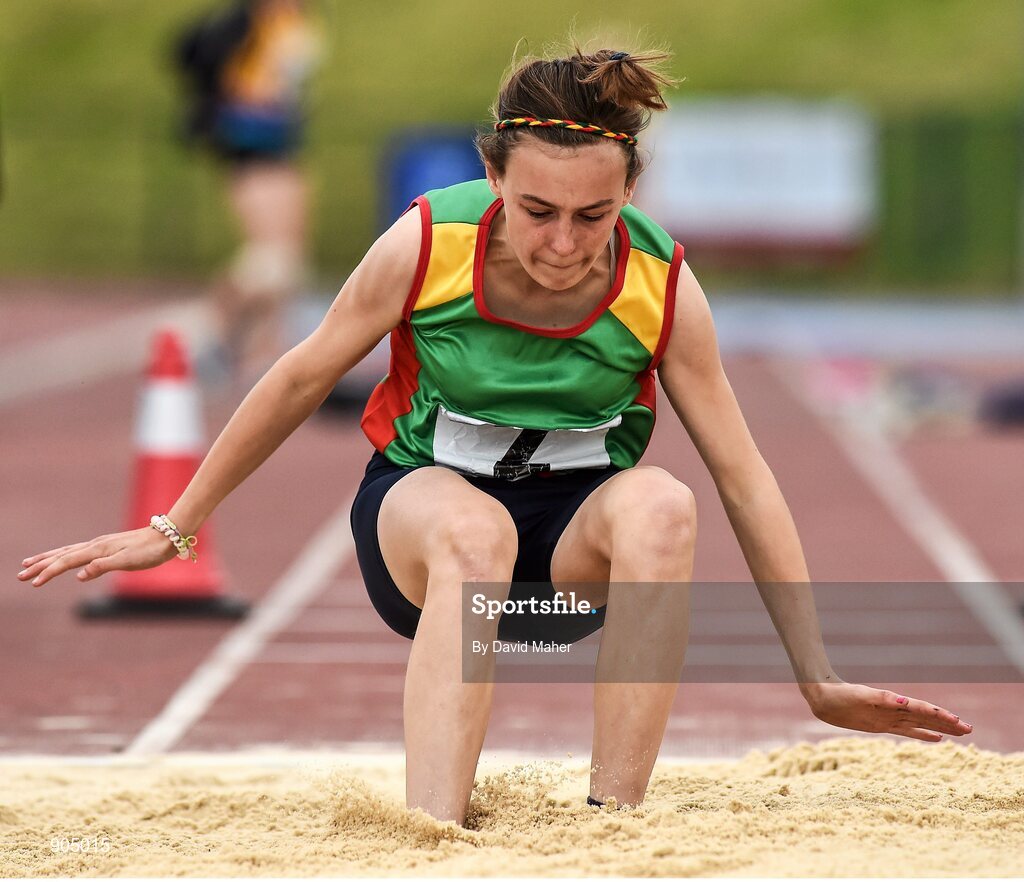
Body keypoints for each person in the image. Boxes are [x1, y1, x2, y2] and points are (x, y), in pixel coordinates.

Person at [19, 44, 972, 826]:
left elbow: (744, 476)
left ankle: (613, 826)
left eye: (594, 217)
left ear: (632, 190)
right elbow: (302, 374)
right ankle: (434, 830)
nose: (563, 245)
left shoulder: (660, 285)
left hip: (564, 582)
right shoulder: (425, 245)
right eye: (537, 212)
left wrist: (818, 674)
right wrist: (176, 526)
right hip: (427, 548)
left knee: (665, 505)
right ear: (491, 179)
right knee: (478, 533)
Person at [175, 0, 321, 383]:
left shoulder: (295, 20)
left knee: (291, 261)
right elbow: (200, 61)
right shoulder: (242, 24)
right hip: (250, 147)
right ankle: (209, 333)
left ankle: (267, 348)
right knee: (271, 258)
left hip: (284, 145)